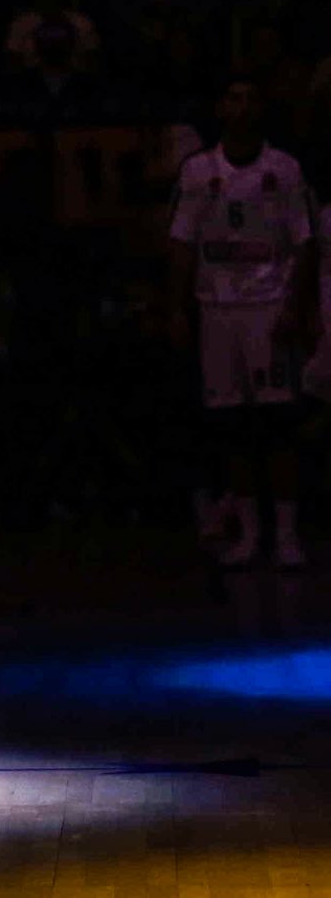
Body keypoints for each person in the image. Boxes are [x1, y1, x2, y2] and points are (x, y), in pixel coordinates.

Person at [168, 77, 318, 568]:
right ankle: (250, 535)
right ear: (220, 107)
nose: (243, 106)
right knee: (232, 427)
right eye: (234, 97)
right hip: (216, 312)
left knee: (278, 424)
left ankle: (288, 535)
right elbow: (181, 244)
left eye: (253, 97)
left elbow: (303, 244)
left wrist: (296, 306)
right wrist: (177, 307)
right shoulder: (197, 172)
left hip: (269, 307)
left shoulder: (285, 169)